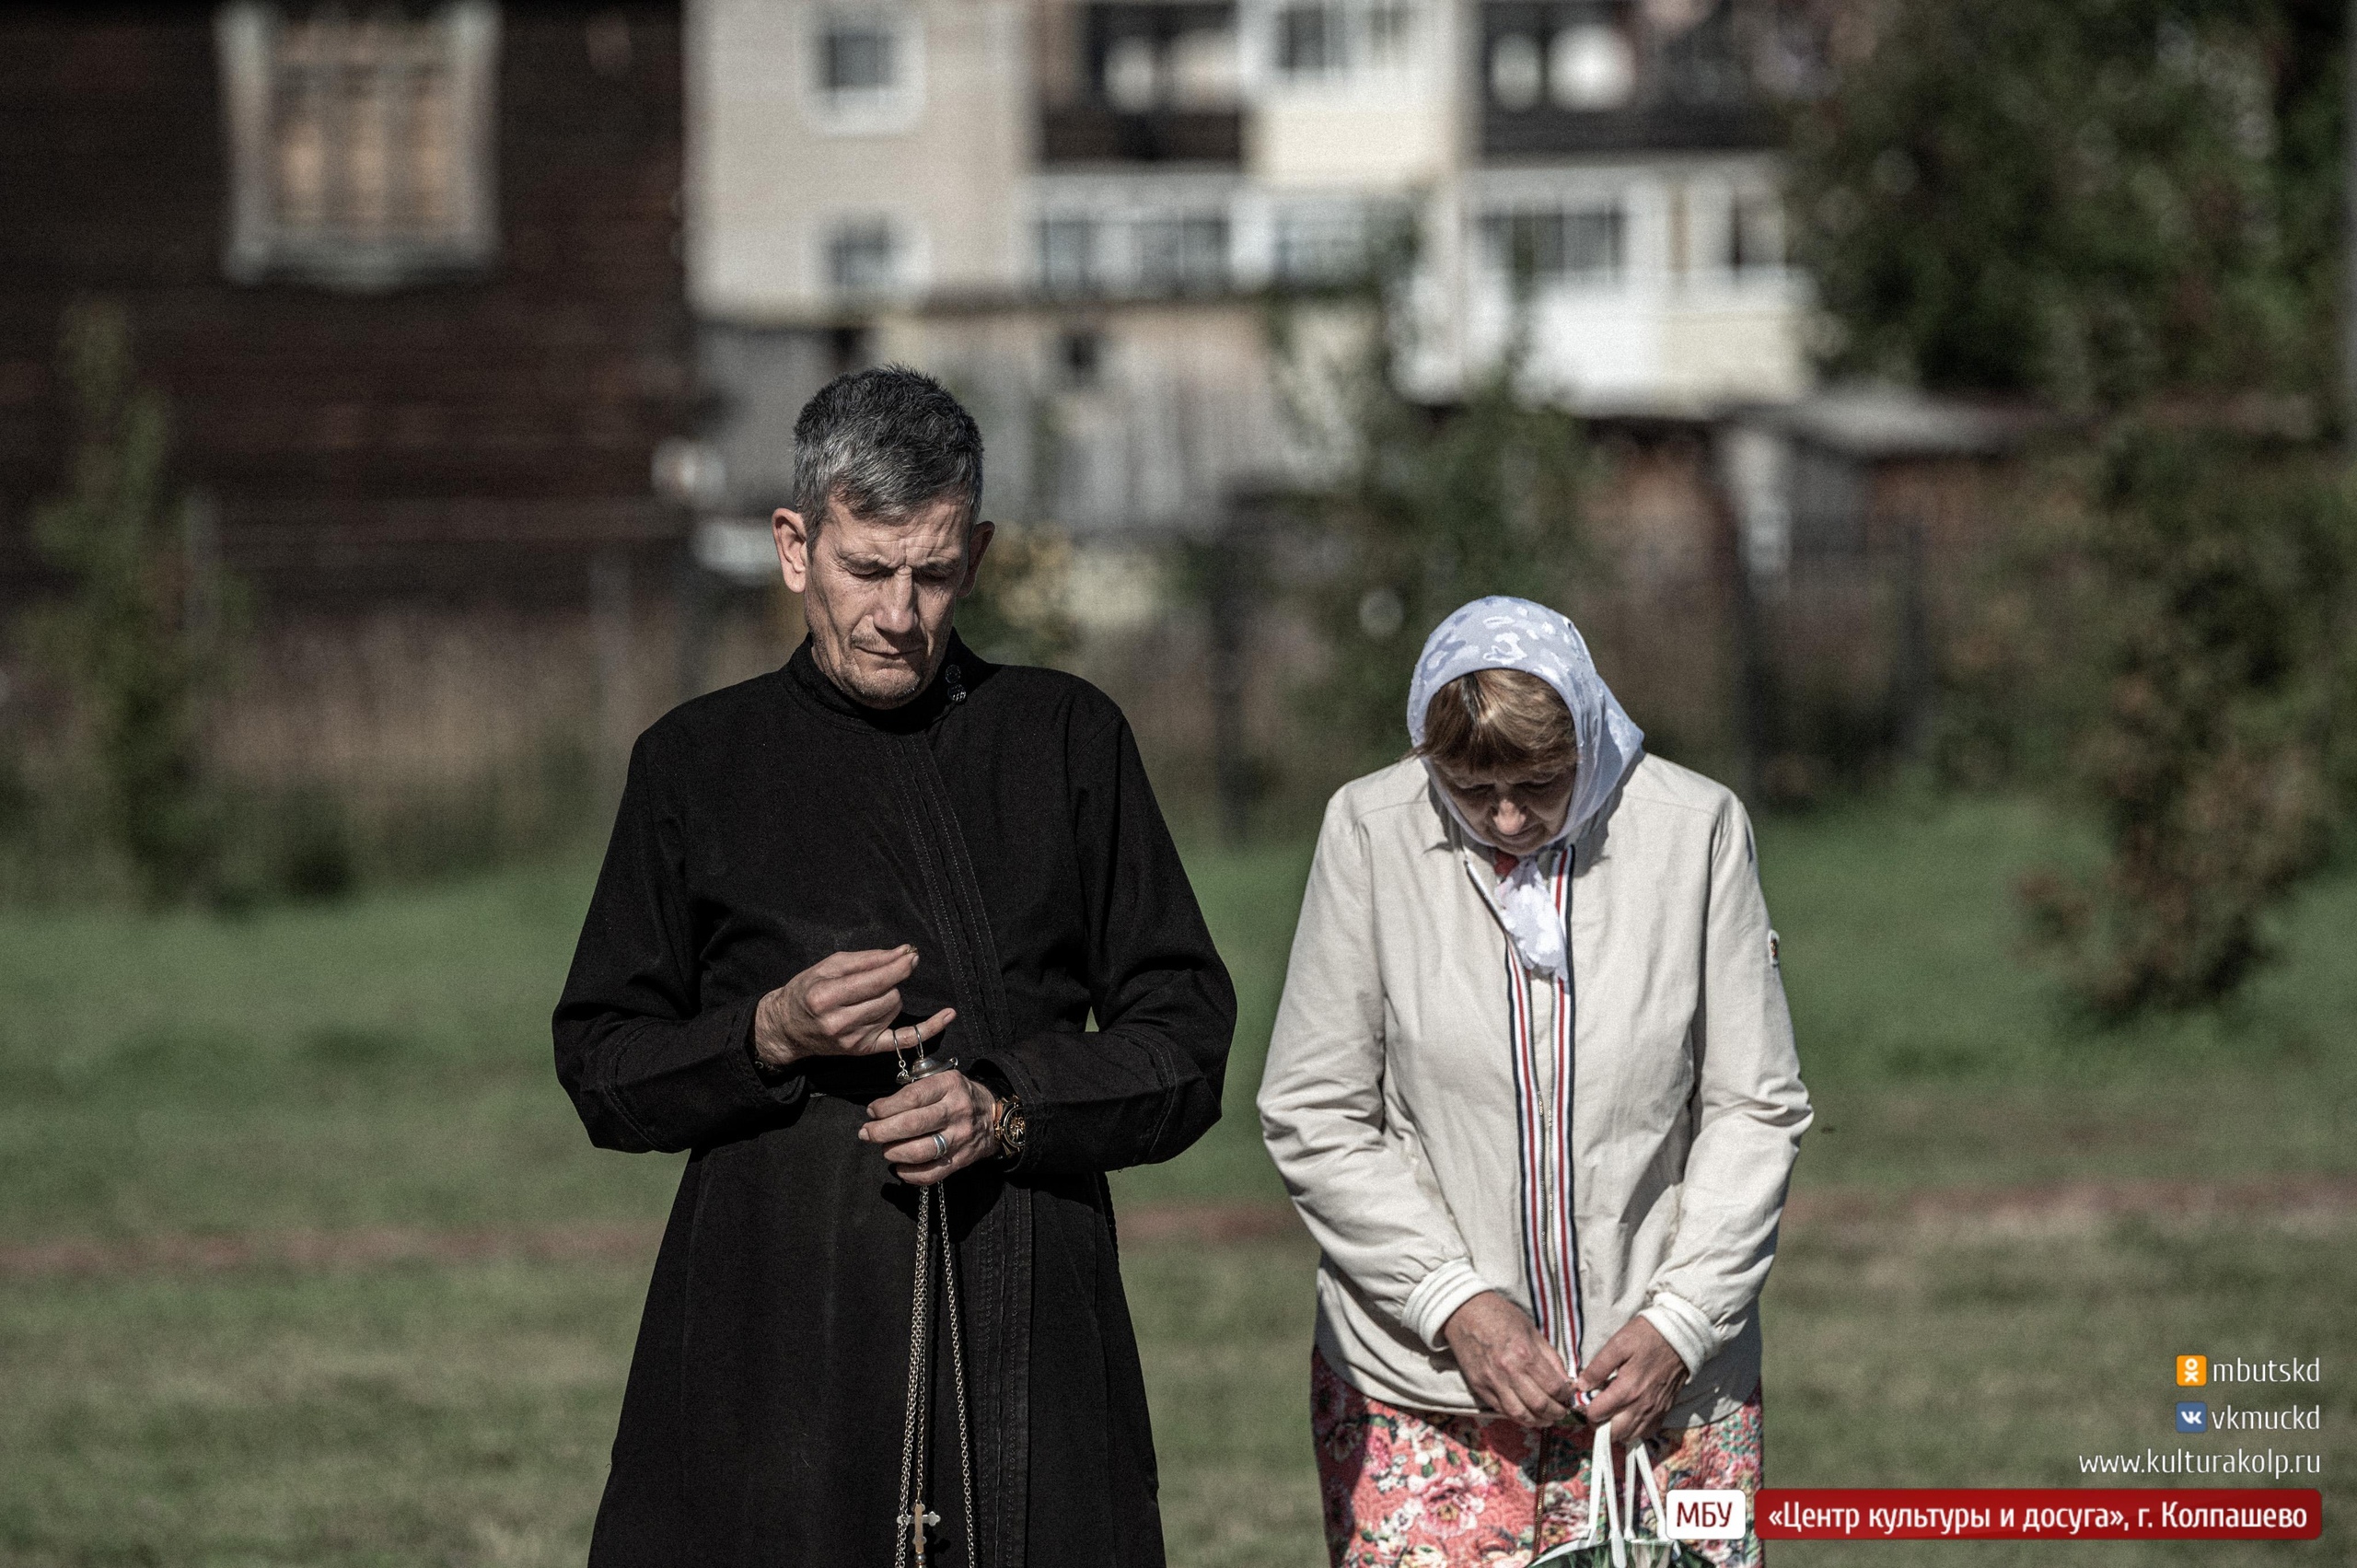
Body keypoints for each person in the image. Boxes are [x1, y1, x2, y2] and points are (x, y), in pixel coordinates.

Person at [554, 366, 1236, 1568]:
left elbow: (1184, 1034)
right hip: (773, 1328)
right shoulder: (695, 764)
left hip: (1022, 1311)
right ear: (795, 545)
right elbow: (602, 1061)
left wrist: (1010, 1102)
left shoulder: (1066, 737)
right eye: (868, 568)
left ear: (975, 553)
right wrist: (763, 1031)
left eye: (931, 571)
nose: (899, 613)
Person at [1258, 596, 1811, 1567]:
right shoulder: (1369, 832)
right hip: (1424, 1387)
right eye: (1470, 789)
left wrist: (1680, 1317)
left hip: (1660, 1389)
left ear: (1588, 740)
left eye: (1539, 783)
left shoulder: (1695, 829)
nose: (1506, 816)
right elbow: (1315, 1109)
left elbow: (1751, 1104)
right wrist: (1451, 1300)